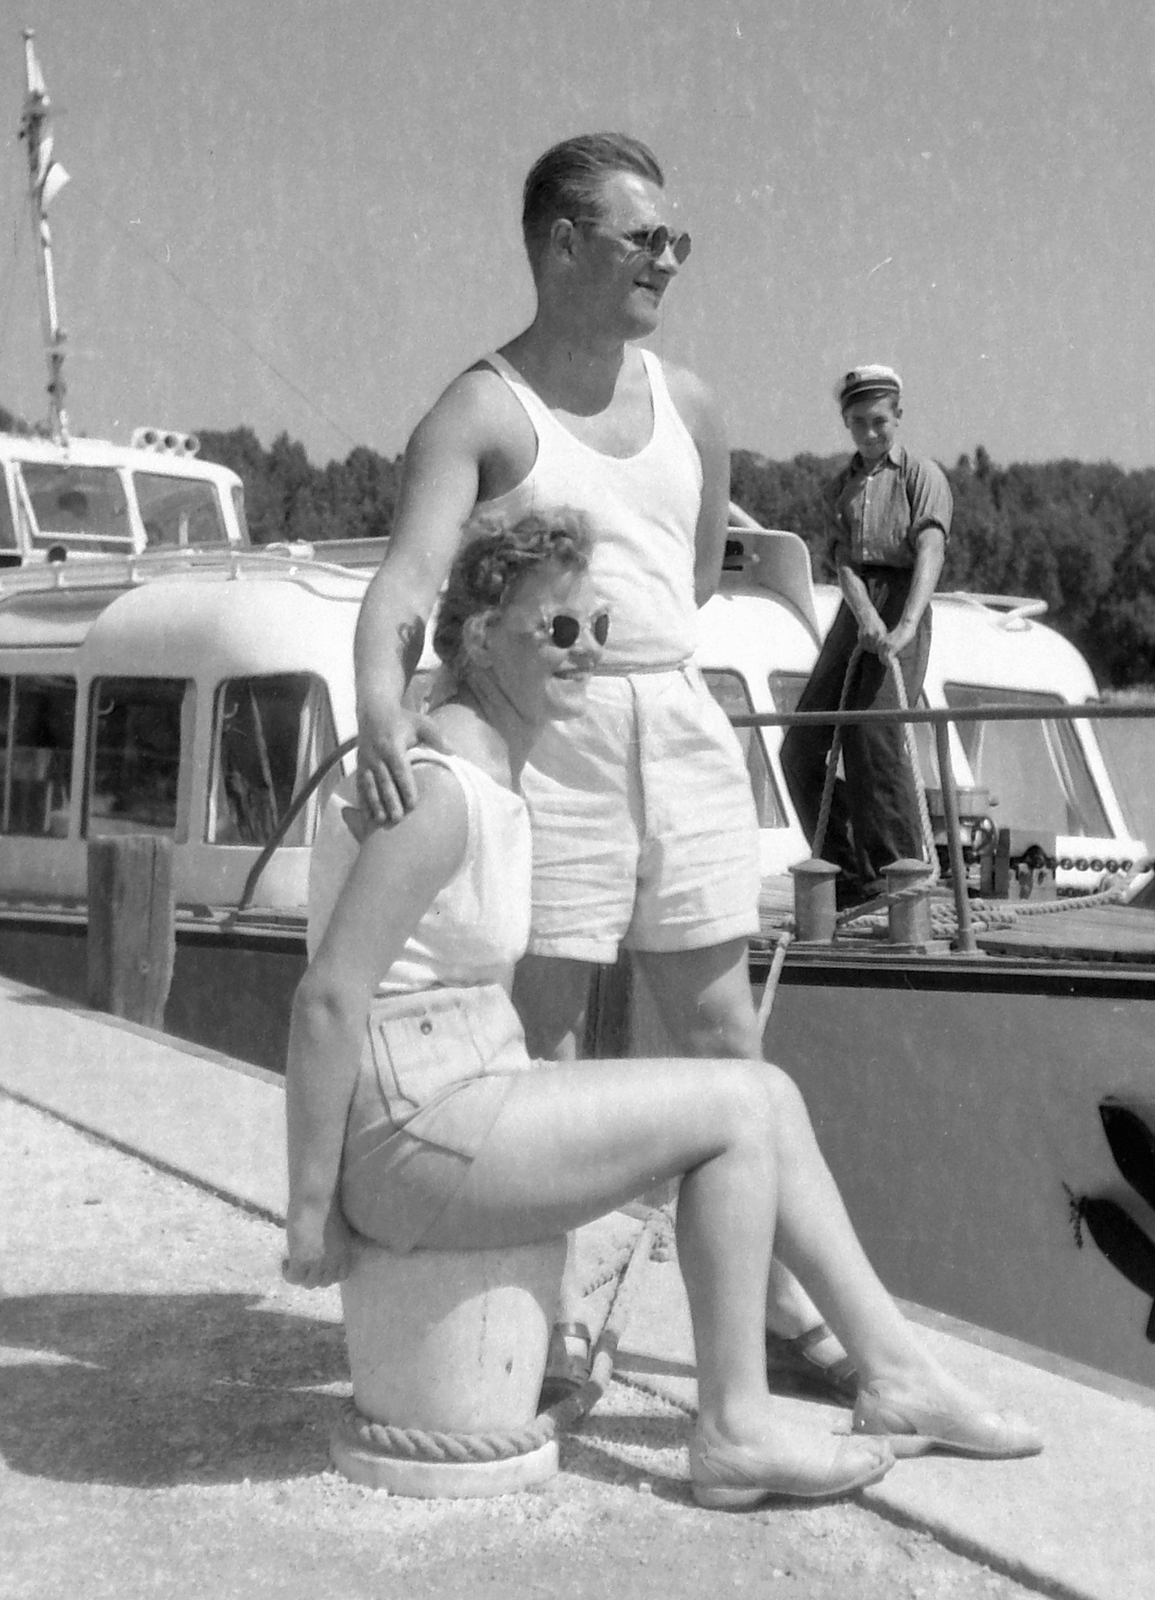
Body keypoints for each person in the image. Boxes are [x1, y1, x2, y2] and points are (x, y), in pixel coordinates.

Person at [282, 513, 1042, 1509]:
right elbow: (329, 998)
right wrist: (309, 1213)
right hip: (411, 1125)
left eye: (594, 623)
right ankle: (734, 1430)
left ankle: (894, 1371)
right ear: (477, 637)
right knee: (732, 1112)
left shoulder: (489, 764)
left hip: (455, 1090)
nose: (587, 648)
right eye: (557, 630)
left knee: (760, 1094)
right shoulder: (442, 792)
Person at [350, 131, 839, 1396]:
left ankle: (783, 1311)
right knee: (544, 1035)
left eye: (677, 241)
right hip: (550, 731)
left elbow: (677, 582)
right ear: (563, 244)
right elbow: (409, 578)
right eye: (644, 239)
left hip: (673, 721)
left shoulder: (694, 407)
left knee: (724, 1025)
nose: (668, 262)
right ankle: (546, 1320)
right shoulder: (480, 411)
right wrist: (377, 709)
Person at [780, 365, 952, 907]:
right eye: (858, 423)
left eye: (879, 421)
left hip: (906, 595)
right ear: (845, 422)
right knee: (802, 744)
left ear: (897, 416)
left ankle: (899, 875)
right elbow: (843, 562)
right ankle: (846, 873)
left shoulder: (922, 475)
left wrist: (903, 625)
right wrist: (863, 614)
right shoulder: (842, 486)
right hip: (856, 609)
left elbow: (931, 550)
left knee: (874, 736)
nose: (870, 433)